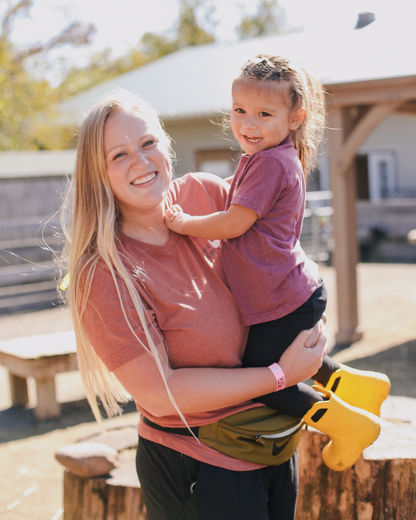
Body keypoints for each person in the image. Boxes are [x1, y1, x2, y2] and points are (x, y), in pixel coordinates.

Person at [61, 88, 329, 520]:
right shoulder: (105, 273)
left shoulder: (206, 196)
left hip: (272, 444)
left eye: (148, 143)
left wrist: (310, 320)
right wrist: (281, 375)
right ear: (98, 174)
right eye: (119, 155)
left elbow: (276, 258)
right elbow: (160, 393)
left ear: (166, 146)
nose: (141, 162)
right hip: (200, 467)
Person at [165, 55, 391, 472]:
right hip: (289, 290)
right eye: (239, 112)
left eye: (264, 114)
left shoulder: (269, 163)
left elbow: (234, 222)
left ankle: (346, 426)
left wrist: (183, 223)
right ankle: (356, 384)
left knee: (265, 377)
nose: (248, 124)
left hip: (281, 297)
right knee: (288, 353)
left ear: (295, 117)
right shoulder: (270, 155)